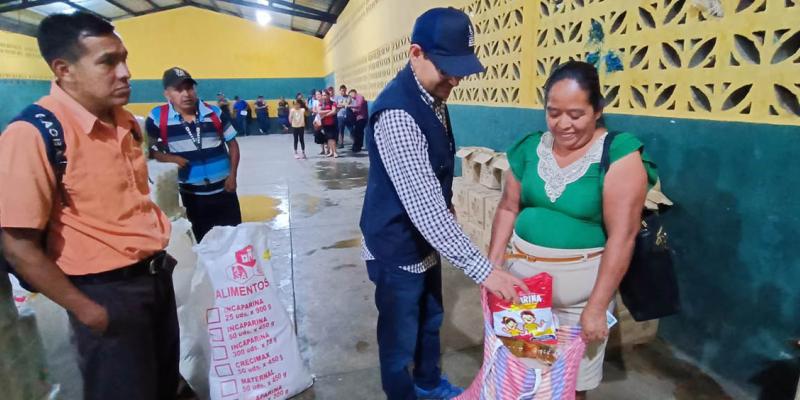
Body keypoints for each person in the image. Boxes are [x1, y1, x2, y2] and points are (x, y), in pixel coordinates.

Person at [0, 12, 177, 399]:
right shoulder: (33, 135)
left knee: (163, 387)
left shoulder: (125, 123)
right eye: (108, 62)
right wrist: (86, 310)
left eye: (124, 58)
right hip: (105, 296)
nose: (125, 73)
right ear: (64, 70)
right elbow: (16, 245)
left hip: (154, 281)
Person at [359, 8, 527, 400]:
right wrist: (485, 271)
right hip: (395, 247)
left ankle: (429, 383)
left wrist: (449, 208)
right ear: (416, 53)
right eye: (447, 69)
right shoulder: (397, 114)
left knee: (430, 318)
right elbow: (426, 212)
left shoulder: (433, 97)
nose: (455, 80)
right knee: (399, 339)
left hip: (424, 245)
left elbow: (435, 176)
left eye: (461, 69)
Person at [488, 60, 657, 399]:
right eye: (553, 113)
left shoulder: (618, 154)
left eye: (576, 114)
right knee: (528, 376)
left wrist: (597, 307)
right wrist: (492, 267)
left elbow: (622, 237)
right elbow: (507, 208)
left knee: (569, 386)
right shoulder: (530, 148)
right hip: (523, 294)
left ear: (598, 110)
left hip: (581, 302)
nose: (563, 124)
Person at [146, 67, 242, 241]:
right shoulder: (158, 118)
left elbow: (233, 145)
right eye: (179, 89)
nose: (186, 94)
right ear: (167, 94)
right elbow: (146, 151)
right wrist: (169, 158)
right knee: (204, 242)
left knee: (234, 240)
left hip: (225, 190)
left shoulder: (214, 113)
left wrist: (232, 176)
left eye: (189, 88)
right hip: (192, 196)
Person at [318, 91, 339, 158]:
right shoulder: (321, 104)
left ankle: (335, 152)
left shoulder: (333, 103)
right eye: (323, 95)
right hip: (324, 123)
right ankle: (331, 152)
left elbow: (334, 111)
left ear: (329, 95)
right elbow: (319, 112)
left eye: (325, 95)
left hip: (332, 123)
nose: (324, 97)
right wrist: (328, 111)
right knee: (329, 138)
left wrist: (324, 115)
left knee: (332, 137)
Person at [348, 88, 368, 153]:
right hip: (358, 118)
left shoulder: (360, 97)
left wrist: (349, 106)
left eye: (351, 95)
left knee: (359, 133)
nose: (351, 97)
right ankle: (357, 146)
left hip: (361, 118)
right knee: (357, 133)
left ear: (353, 93)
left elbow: (359, 105)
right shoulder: (355, 99)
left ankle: (357, 147)